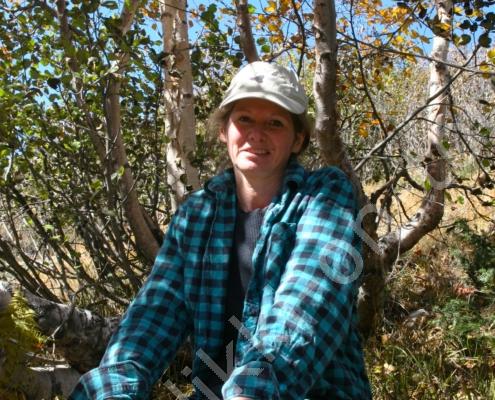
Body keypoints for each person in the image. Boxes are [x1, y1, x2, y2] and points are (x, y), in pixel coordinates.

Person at [69, 61, 372, 400]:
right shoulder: (198, 215)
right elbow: (153, 317)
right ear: (224, 130)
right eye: (244, 119)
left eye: (275, 122)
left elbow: (309, 301)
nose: (256, 133)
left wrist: (254, 388)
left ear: (298, 139)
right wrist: (114, 387)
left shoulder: (324, 195)